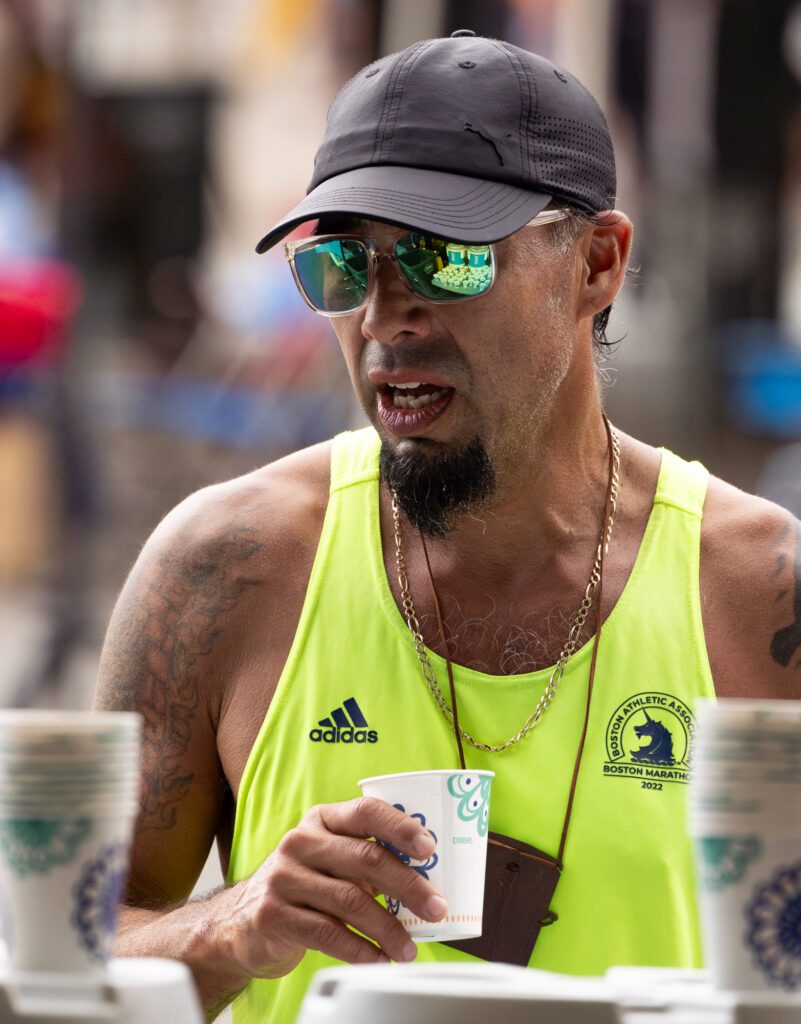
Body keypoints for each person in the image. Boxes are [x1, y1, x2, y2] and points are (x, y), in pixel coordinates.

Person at [94, 31, 801, 1024]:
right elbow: (70, 955)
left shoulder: (758, 594)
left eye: (443, 255)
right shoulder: (223, 568)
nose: (386, 315)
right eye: (345, 263)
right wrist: (226, 926)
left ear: (597, 263)